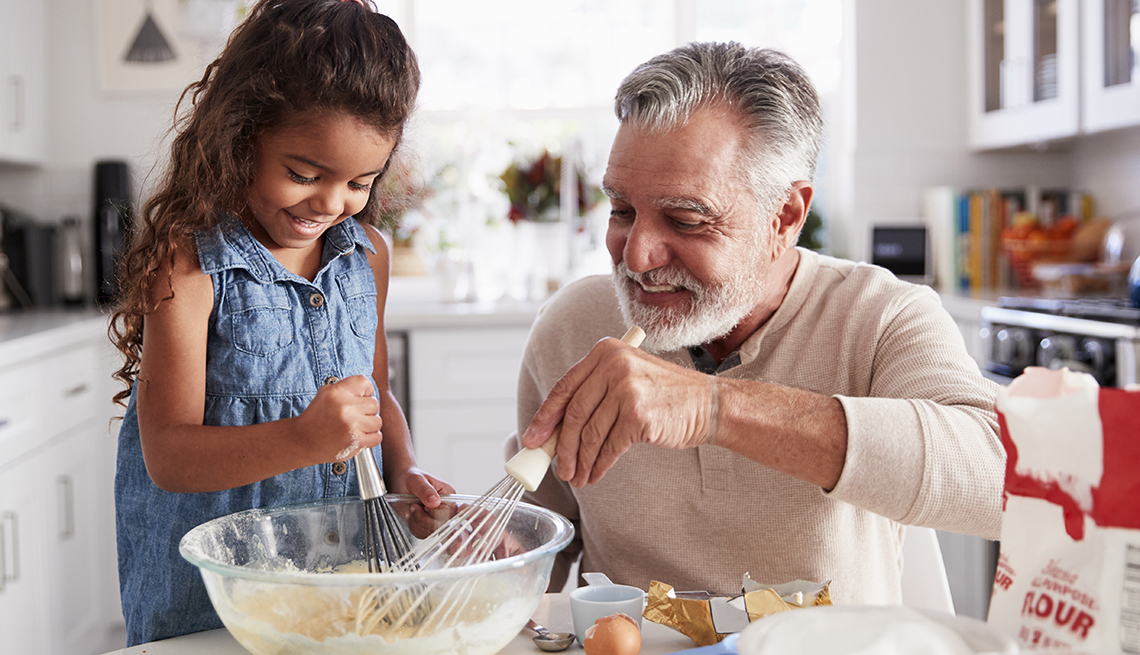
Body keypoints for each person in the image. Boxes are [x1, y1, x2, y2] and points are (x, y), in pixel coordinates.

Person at [508, 42, 1004, 605]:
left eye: (686, 219)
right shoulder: (573, 325)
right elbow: (538, 536)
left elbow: (999, 478)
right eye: (622, 210)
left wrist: (711, 407)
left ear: (785, 217)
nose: (637, 255)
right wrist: (493, 551)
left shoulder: (881, 317)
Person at [108, 0, 452, 645]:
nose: (329, 203)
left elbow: (373, 398)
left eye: (360, 181)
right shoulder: (187, 267)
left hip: (338, 585)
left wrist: (404, 470)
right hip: (208, 603)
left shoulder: (366, 256)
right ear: (243, 135)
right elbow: (169, 456)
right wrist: (304, 438)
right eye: (303, 174)